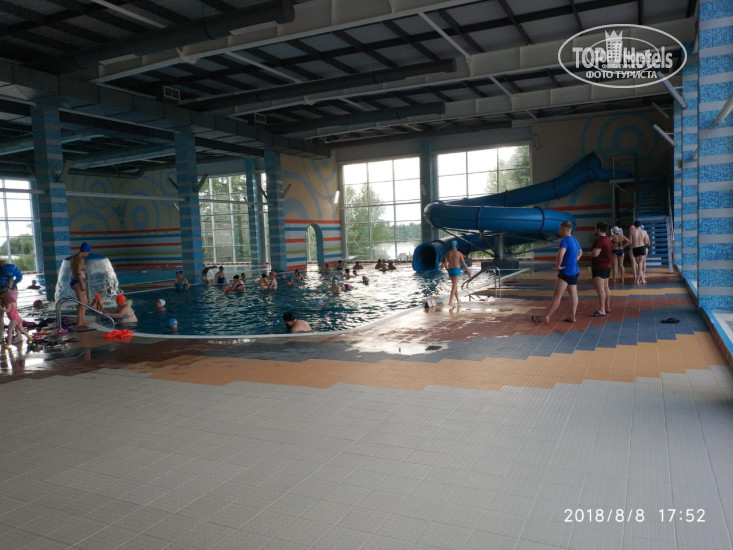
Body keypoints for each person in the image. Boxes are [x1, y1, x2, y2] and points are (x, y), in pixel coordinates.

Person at [531, 221, 582, 323]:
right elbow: (580, 252)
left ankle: (547, 317)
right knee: (573, 294)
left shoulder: (565, 241)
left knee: (557, 296)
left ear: (563, 229)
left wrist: (558, 266)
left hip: (565, 272)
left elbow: (560, 254)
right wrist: (574, 261)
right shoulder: (575, 240)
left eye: (560, 229)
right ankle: (572, 316)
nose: (559, 231)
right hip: (575, 271)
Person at [588, 222, 612, 317]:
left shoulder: (600, 241)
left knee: (600, 288)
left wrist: (589, 253)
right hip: (607, 266)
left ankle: (602, 309)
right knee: (606, 287)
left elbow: (595, 254)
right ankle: (607, 307)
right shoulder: (608, 239)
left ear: (598, 229)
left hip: (600, 267)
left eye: (595, 228)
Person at [441, 240, 471, 306]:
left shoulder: (448, 253)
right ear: (457, 246)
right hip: (456, 271)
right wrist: (468, 271)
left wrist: (448, 270)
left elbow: (445, 264)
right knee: (454, 286)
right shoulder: (459, 253)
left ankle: (458, 300)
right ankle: (450, 302)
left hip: (450, 271)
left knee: (455, 287)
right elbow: (464, 264)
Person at [70, 242, 92, 328]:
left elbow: (76, 269)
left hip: (75, 281)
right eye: (88, 252)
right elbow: (78, 272)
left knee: (84, 302)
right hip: (78, 282)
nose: (88, 254)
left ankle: (82, 320)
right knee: (82, 303)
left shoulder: (74, 257)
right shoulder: (80, 259)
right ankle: (80, 322)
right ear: (85, 251)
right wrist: (82, 283)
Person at [630, 220, 650, 284]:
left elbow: (630, 243)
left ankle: (638, 279)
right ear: (640, 225)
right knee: (640, 264)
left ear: (634, 225)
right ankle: (640, 279)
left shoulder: (632, 232)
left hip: (635, 248)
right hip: (642, 247)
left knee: (639, 264)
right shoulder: (644, 232)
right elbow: (647, 242)